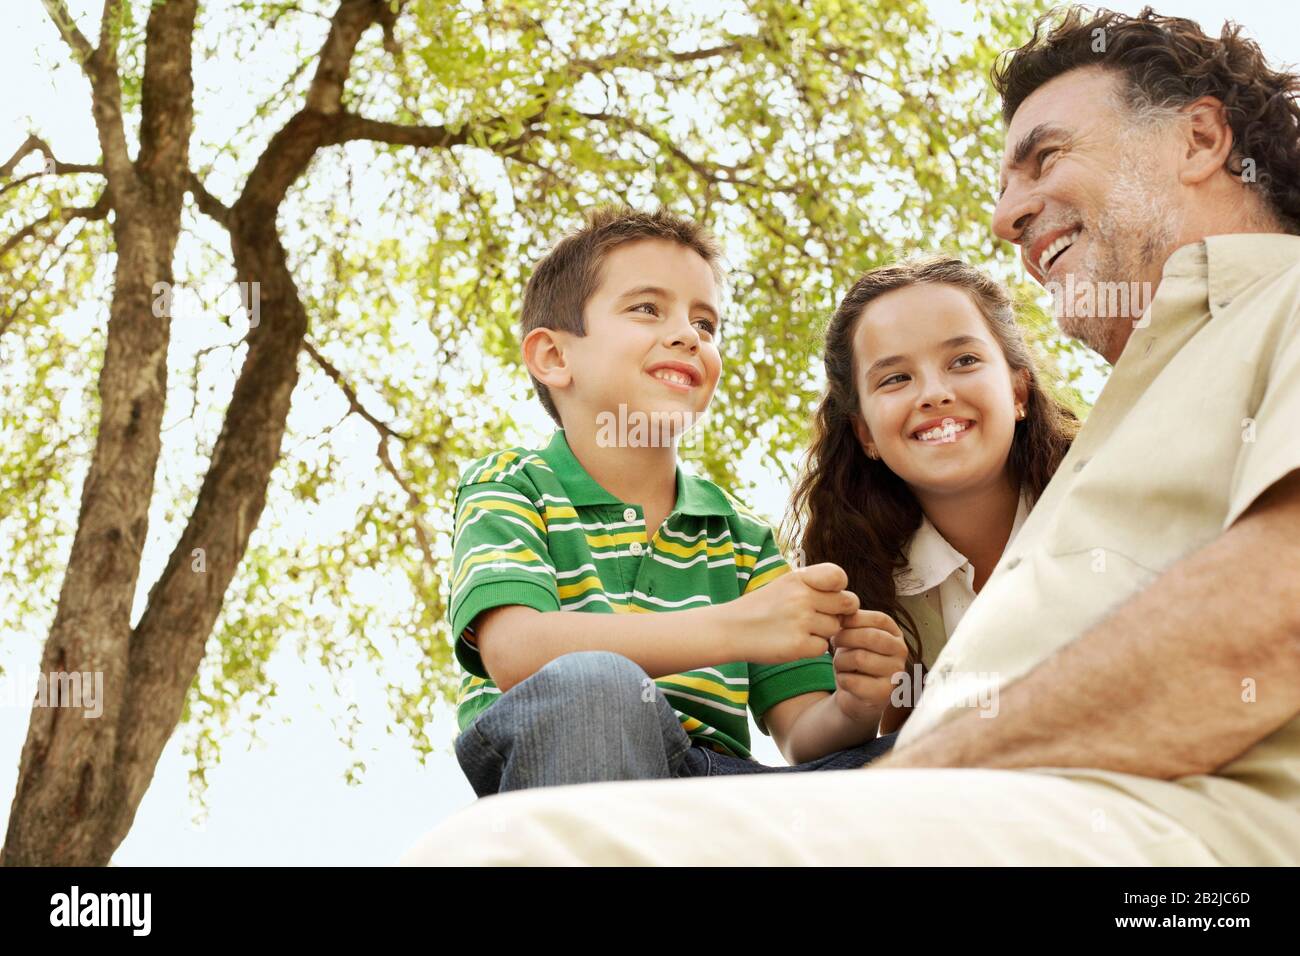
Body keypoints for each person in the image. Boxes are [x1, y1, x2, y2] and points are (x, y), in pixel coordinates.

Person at [403, 7, 1300, 865]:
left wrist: (893, 782)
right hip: (962, 811)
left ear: (1200, 139)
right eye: (893, 380)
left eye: (1046, 157)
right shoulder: (1145, 409)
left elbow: (1273, 615)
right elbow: (525, 652)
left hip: (1119, 842)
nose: (1004, 217)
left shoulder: (1280, 306)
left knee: (513, 852)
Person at [448, 206, 896, 799]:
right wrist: (735, 627)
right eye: (646, 309)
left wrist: (858, 705)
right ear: (555, 357)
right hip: (574, 765)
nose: (689, 335)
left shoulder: (740, 536)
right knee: (595, 687)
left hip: (722, 790)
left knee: (942, 753)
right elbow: (515, 652)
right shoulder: (513, 483)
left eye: (706, 324)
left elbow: (804, 735)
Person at [782, 257, 1077, 738]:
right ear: (865, 435)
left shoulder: (1105, 498)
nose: (934, 394)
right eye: (895, 378)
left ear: (1019, 390)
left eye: (963, 361)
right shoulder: (870, 585)